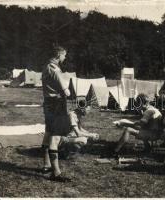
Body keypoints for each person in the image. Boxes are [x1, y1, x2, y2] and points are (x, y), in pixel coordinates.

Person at [48, 98, 99, 181]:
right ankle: (63, 154)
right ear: (82, 108)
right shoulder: (72, 115)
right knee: (83, 139)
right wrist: (90, 135)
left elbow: (80, 128)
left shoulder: (77, 114)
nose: (89, 111)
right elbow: (78, 133)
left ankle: (64, 156)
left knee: (84, 138)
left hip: (62, 135)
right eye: (88, 109)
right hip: (62, 137)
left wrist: (90, 133)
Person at [41, 45, 71, 181]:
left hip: (47, 103)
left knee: (48, 133)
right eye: (64, 55)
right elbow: (67, 91)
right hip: (57, 104)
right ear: (59, 55)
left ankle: (46, 165)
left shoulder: (45, 67)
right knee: (56, 137)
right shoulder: (56, 70)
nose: (65, 57)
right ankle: (56, 173)